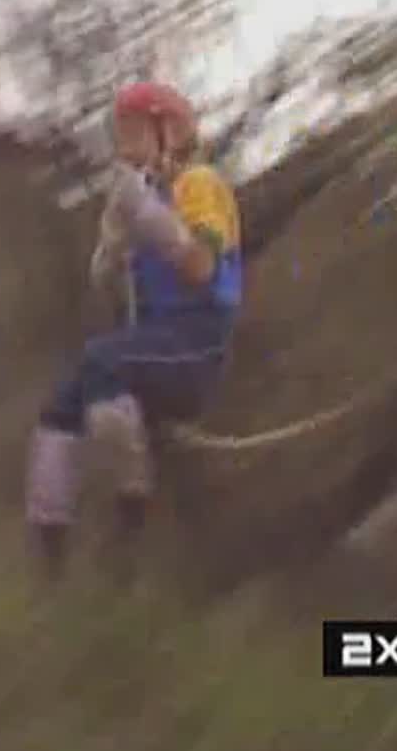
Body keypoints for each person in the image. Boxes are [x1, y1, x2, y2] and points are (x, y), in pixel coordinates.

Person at [25, 80, 244, 577]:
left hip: (195, 346)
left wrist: (146, 216)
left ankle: (132, 504)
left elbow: (201, 266)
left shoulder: (199, 185)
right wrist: (111, 252)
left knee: (100, 361)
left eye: (132, 132)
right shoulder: (151, 196)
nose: (123, 147)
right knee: (61, 406)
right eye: (120, 135)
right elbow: (114, 292)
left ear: (168, 131)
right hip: (156, 345)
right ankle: (49, 543)